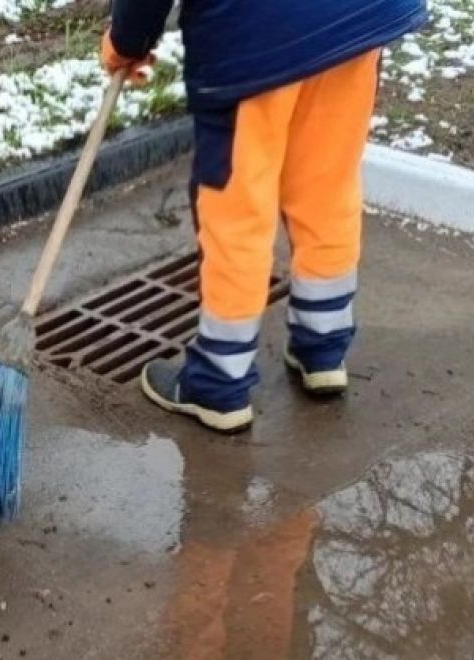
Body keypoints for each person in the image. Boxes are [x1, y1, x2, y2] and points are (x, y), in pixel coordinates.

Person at [102, 0, 428, 433]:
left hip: (252, 39)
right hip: (357, 18)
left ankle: (218, 381)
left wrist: (127, 41)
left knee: (237, 210)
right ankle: (323, 347)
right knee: (326, 183)